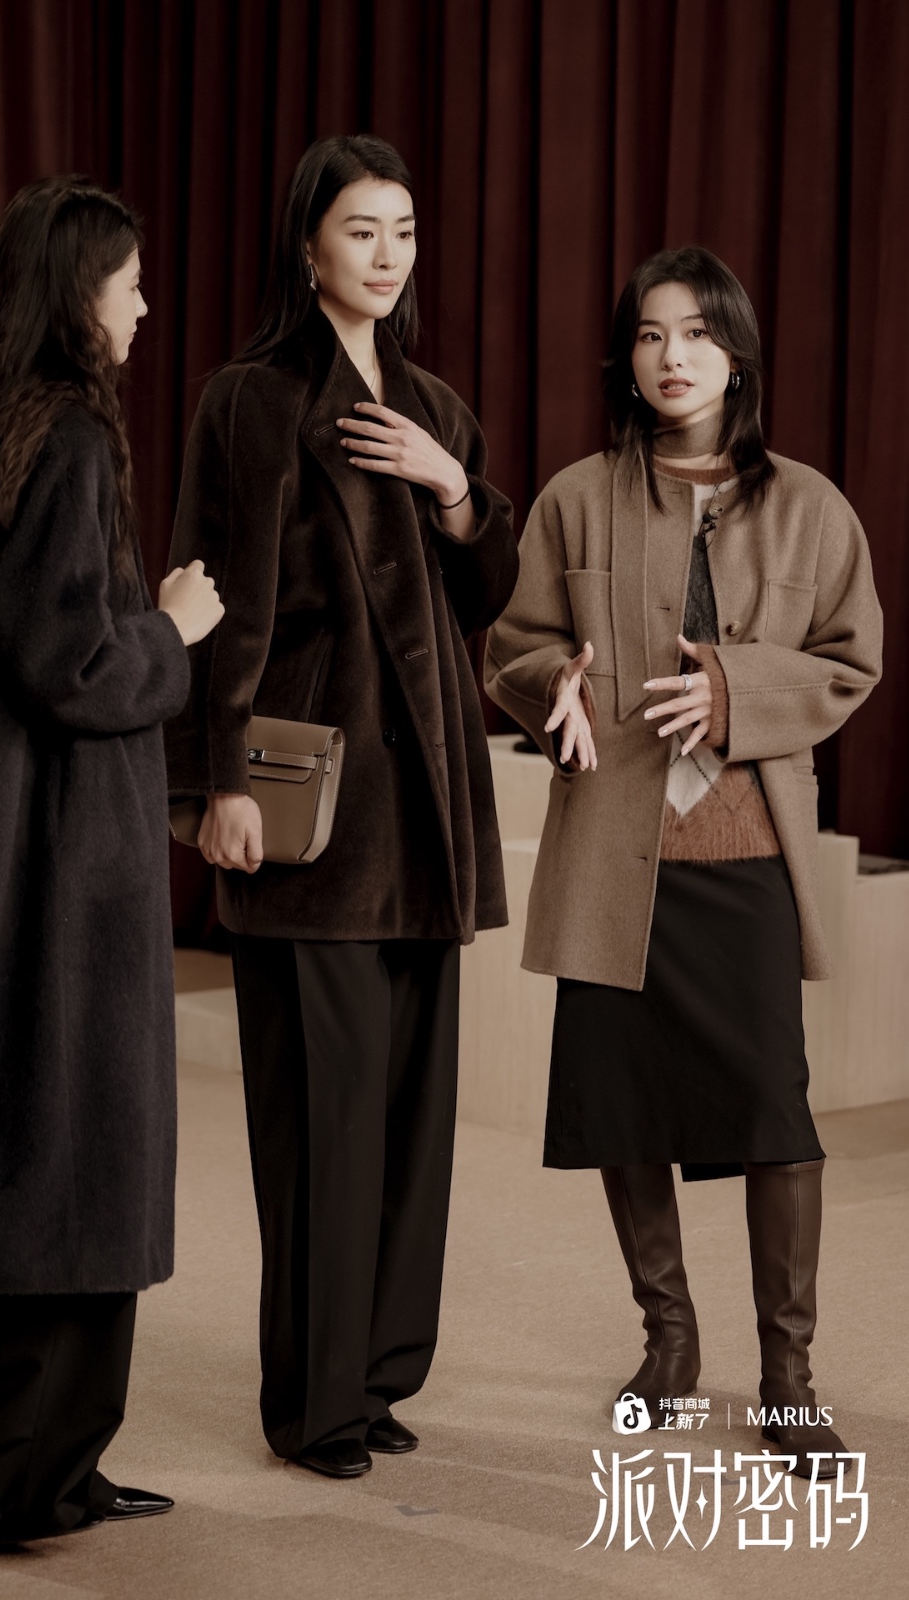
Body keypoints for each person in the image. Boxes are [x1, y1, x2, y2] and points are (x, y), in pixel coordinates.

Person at [0, 175, 224, 1542]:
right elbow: (69, 663)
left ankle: (54, 1466)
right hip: (59, 874)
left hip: (20, 858)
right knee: (64, 1171)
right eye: (127, 283)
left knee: (56, 1176)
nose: (144, 304)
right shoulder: (66, 439)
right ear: (78, 296)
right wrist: (173, 629)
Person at [485, 247, 882, 1478]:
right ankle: (668, 1340)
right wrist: (549, 684)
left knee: (775, 1114)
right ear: (627, 356)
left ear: (737, 356)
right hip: (614, 852)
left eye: (698, 334)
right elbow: (516, 643)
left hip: (748, 851)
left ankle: (787, 1378)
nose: (673, 357)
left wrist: (730, 689)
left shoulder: (811, 505)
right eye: (652, 334)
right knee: (623, 1105)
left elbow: (849, 660)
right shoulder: (574, 497)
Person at [166, 134, 518, 1479]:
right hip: (307, 803)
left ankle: (376, 1378)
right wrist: (210, 786)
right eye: (361, 229)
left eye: (404, 231)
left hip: (427, 806)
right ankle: (313, 1402)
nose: (387, 254)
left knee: (411, 1119)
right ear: (308, 245)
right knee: (321, 1118)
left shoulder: (434, 406)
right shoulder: (249, 399)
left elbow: (487, 598)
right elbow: (213, 601)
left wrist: (454, 489)